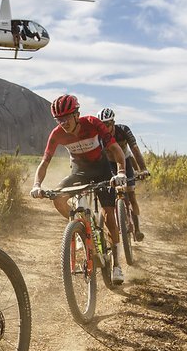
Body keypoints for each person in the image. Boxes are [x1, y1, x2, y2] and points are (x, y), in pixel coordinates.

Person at [30, 94, 128, 283]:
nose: (63, 123)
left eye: (67, 117)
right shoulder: (57, 134)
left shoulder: (93, 123)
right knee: (57, 198)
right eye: (59, 119)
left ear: (77, 114)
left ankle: (116, 265)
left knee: (109, 216)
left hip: (101, 170)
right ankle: (81, 229)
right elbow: (44, 163)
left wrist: (121, 172)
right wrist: (37, 185)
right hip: (79, 172)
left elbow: (116, 149)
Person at [97, 107, 148, 241]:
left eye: (107, 124)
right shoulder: (99, 135)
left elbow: (135, 149)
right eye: (102, 125)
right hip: (109, 164)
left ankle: (137, 230)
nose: (105, 127)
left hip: (125, 161)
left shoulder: (123, 130)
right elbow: (97, 156)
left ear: (113, 122)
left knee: (131, 195)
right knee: (110, 193)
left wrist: (143, 168)